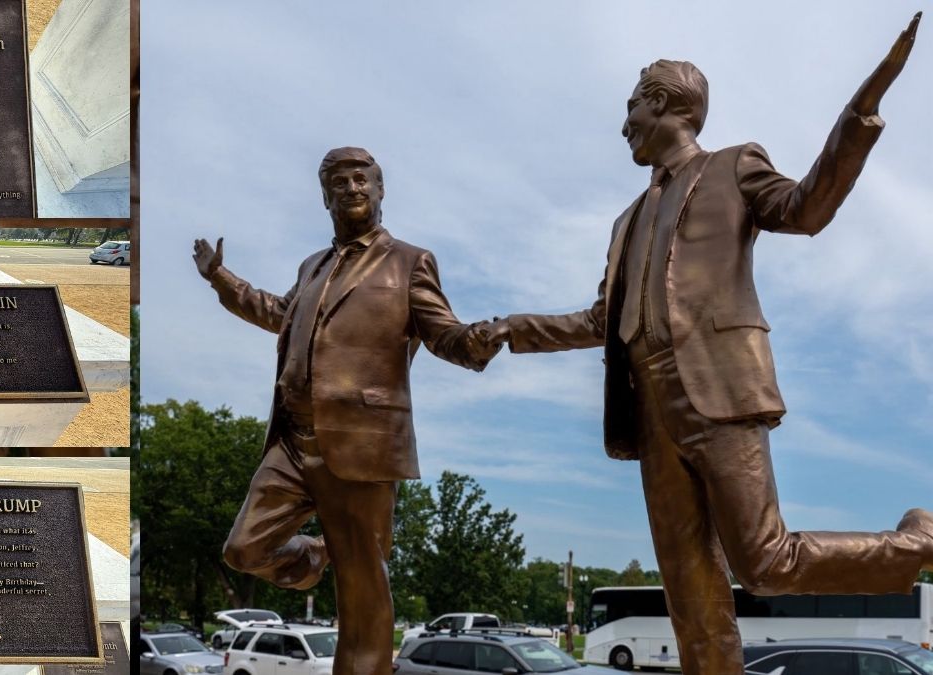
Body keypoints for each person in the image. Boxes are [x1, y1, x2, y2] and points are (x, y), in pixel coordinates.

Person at [475, 14, 929, 675]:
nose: (624, 124)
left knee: (765, 561)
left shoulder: (732, 166)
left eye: (631, 107)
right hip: (650, 409)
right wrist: (511, 328)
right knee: (691, 597)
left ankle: (916, 542)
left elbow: (806, 208)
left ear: (662, 103)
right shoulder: (626, 221)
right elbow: (601, 318)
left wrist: (859, 115)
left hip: (719, 387)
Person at [192, 147, 491, 675]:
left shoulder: (409, 261)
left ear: (379, 190)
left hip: (362, 442)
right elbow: (280, 314)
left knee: (363, 596)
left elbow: (442, 331)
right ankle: (314, 553)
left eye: (361, 179)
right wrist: (221, 278)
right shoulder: (313, 265)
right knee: (243, 548)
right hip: (292, 440)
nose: (352, 188)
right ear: (325, 197)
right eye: (339, 182)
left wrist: (474, 343)